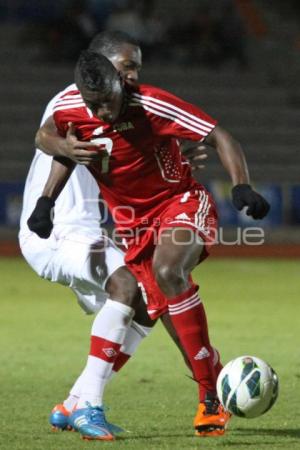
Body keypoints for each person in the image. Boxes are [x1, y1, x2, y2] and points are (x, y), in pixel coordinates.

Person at [29, 51, 270, 438]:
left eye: (108, 102)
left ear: (119, 85)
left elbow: (221, 136)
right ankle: (77, 400)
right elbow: (62, 145)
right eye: (95, 105)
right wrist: (46, 202)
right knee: (150, 311)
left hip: (181, 204)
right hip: (134, 228)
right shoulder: (75, 108)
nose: (103, 112)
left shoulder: (151, 102)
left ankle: (209, 397)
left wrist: (241, 184)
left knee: (167, 271)